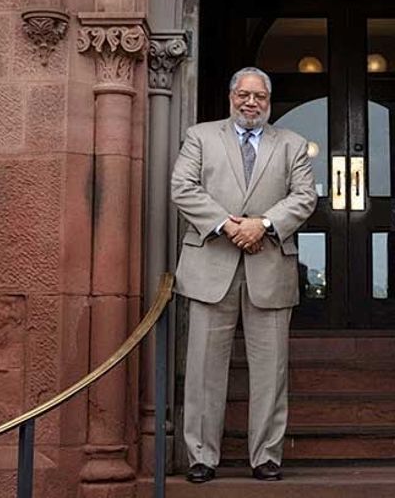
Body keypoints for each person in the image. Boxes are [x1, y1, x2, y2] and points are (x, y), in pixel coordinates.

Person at [170, 67, 317, 483]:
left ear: (269, 102)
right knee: (202, 368)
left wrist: (264, 224)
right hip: (209, 267)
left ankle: (266, 456)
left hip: (269, 267)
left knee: (271, 370)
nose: (251, 103)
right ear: (231, 96)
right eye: (244, 95)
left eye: (260, 97)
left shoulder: (289, 144)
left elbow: (304, 196)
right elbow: (182, 187)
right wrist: (228, 225)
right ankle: (201, 456)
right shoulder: (201, 136)